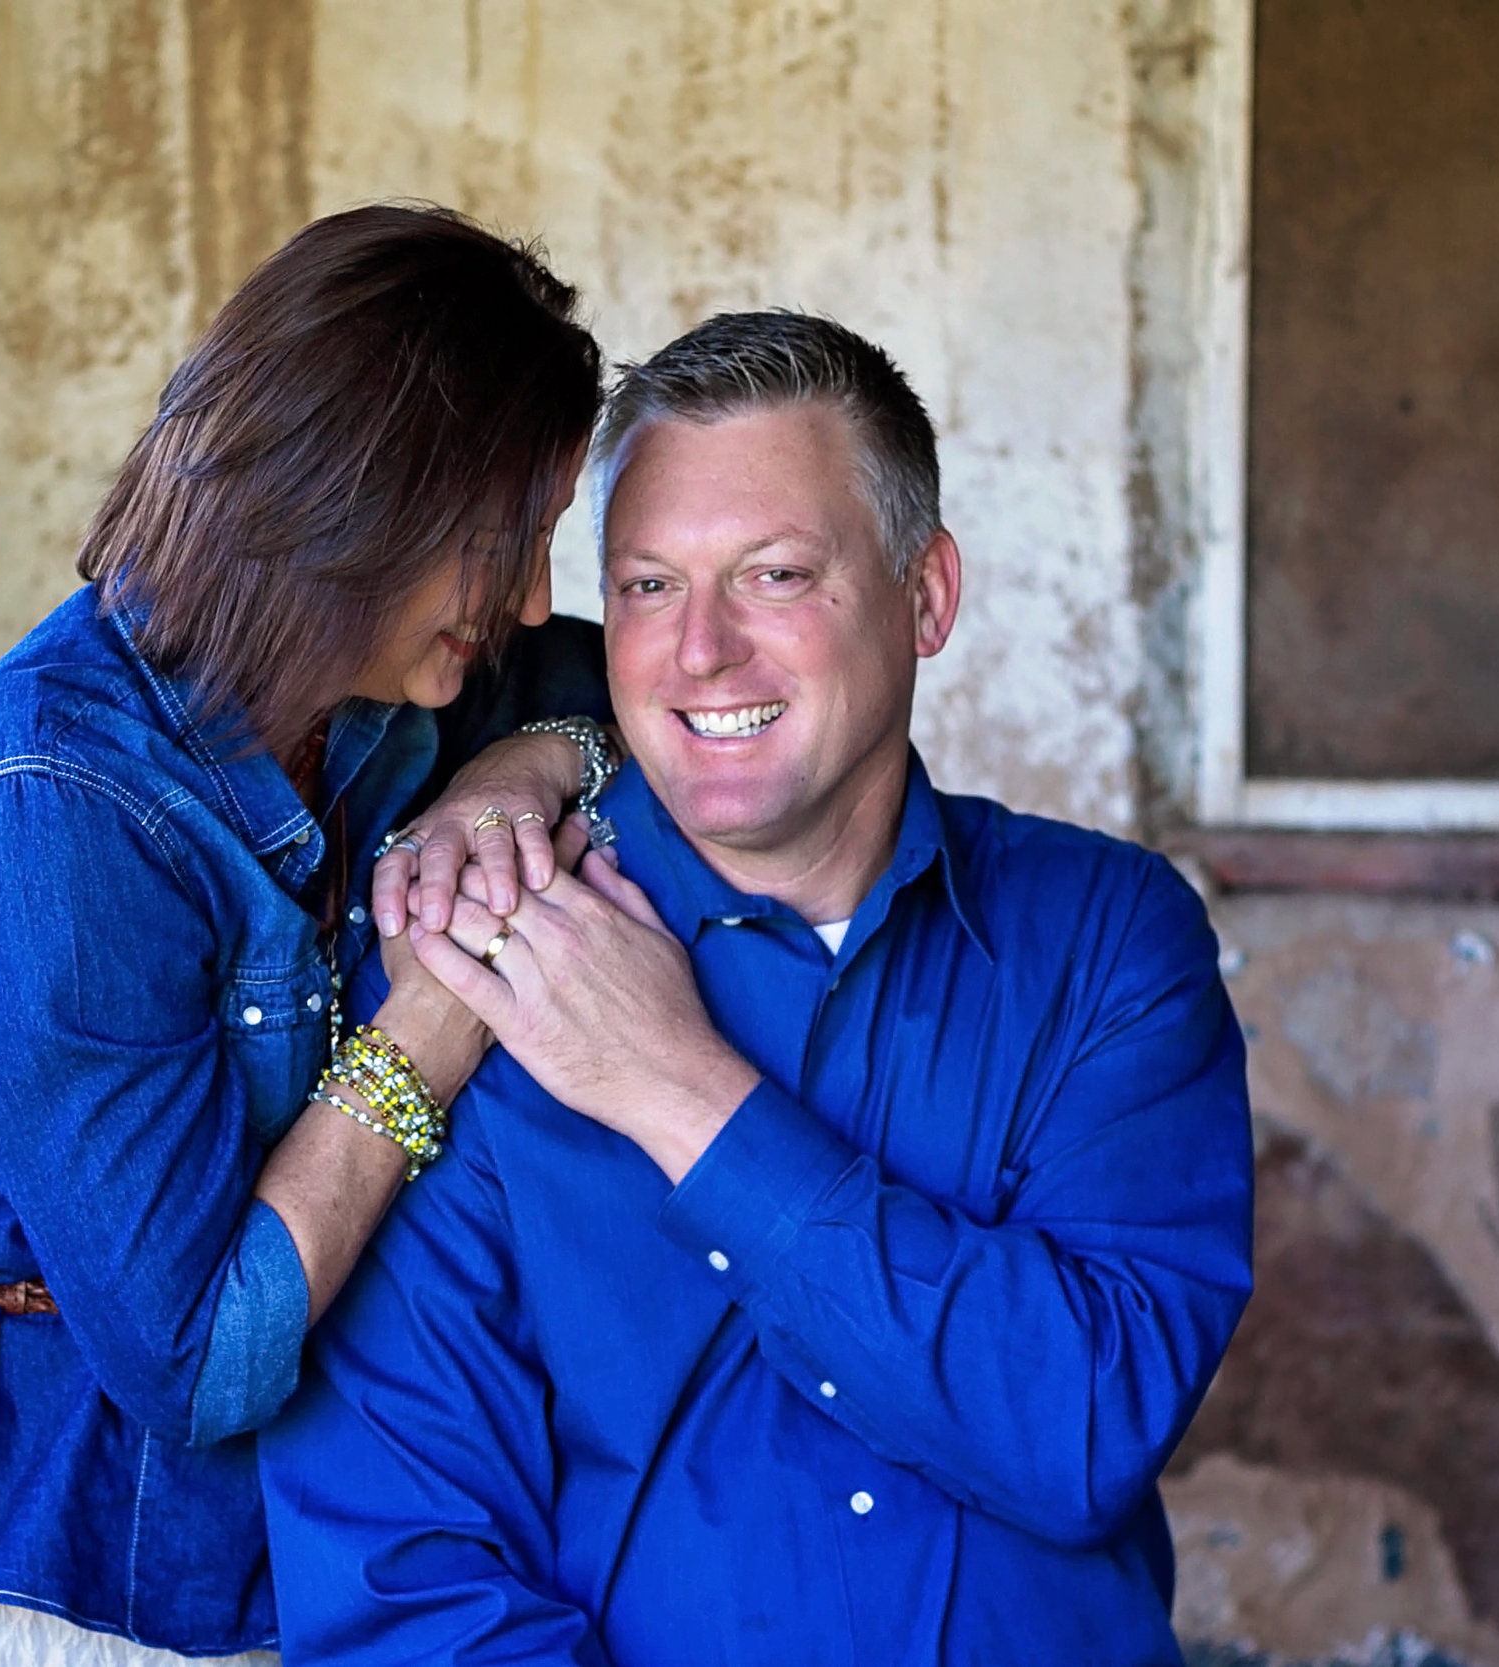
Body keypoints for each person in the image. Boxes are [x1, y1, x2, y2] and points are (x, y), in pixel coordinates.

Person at [260, 311, 1256, 1664]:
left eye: (777, 575)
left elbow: (1079, 1422)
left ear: (927, 596)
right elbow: (408, 1574)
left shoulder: (1108, 945)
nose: (702, 651)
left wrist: (681, 1091)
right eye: (651, 587)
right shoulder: (470, 963)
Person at [0, 204, 615, 1665]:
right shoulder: (46, 805)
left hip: (215, 1568)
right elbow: (204, 1358)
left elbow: (633, 680)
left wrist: (537, 759)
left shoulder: (383, 701)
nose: (527, 598)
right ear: (353, 499)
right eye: (499, 542)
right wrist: (437, 1019)